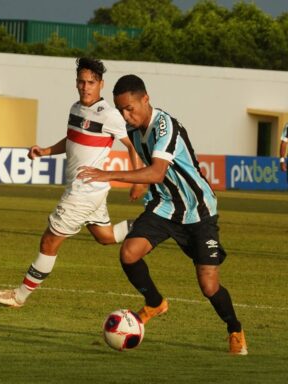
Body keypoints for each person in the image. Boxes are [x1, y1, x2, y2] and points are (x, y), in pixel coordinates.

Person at [77, 74, 248, 355]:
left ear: (145, 99)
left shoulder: (165, 126)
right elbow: (144, 162)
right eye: (120, 110)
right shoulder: (133, 130)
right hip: (165, 206)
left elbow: (157, 171)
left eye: (130, 108)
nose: (125, 115)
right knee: (129, 253)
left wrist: (110, 174)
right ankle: (155, 302)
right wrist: (139, 181)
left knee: (208, 285)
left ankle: (235, 329)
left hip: (198, 209)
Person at [0, 58, 143, 308]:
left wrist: (138, 180)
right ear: (76, 83)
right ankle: (154, 223)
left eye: (91, 82)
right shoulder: (75, 109)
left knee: (49, 241)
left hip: (84, 192)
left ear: (101, 84)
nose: (85, 87)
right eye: (81, 82)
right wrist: (45, 151)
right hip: (89, 190)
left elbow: (131, 146)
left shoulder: (111, 115)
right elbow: (71, 140)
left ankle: (19, 296)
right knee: (105, 236)